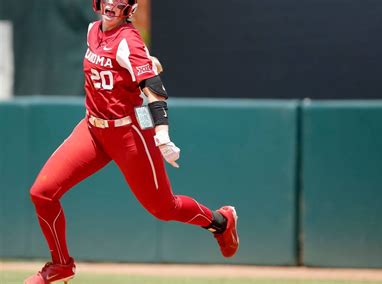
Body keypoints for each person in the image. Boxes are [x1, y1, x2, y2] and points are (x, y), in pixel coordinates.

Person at [24, 0, 239, 283]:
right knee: (42, 193)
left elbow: (153, 89)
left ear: (130, 8)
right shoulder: (92, 31)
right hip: (92, 128)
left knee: (163, 207)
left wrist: (161, 134)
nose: (112, 3)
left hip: (129, 131)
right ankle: (61, 264)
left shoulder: (128, 40)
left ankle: (221, 222)